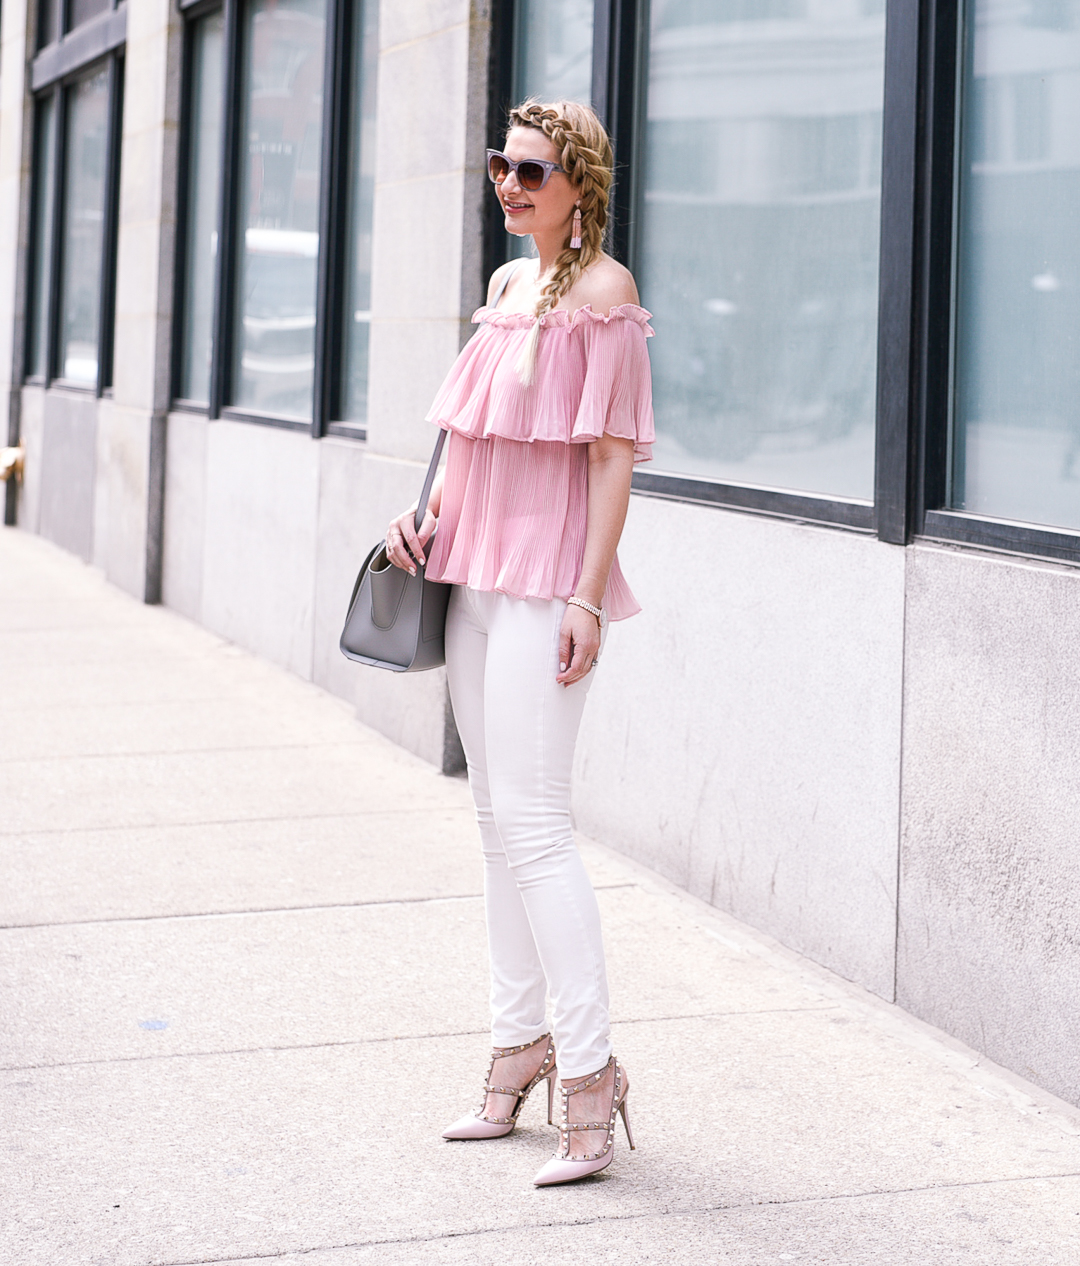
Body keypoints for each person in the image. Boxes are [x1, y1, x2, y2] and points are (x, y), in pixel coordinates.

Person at [385, 99, 654, 1187]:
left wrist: (589, 600)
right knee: (495, 825)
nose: (508, 184)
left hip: (549, 589)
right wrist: (425, 518)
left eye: (530, 171)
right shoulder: (504, 290)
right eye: (501, 165)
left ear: (575, 182)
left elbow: (607, 462)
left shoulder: (606, 295)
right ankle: (519, 1044)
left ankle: (591, 1073)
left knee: (539, 829)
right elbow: (468, 440)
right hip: (472, 579)